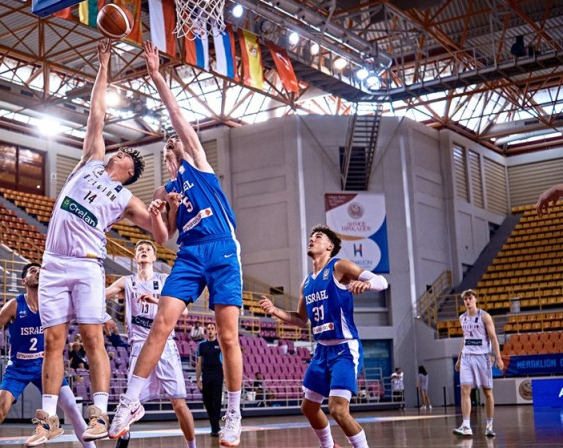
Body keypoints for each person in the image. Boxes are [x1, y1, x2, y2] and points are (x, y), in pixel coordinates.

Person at [110, 40, 245, 447]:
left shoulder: (200, 166)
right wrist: (156, 214)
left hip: (220, 247)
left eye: (179, 145)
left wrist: (156, 77)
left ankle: (233, 411)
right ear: (168, 157)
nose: (178, 148)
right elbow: (163, 239)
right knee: (160, 326)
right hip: (188, 254)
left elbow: (177, 117)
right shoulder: (167, 190)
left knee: (227, 337)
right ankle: (131, 401)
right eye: (172, 149)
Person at [35, 39, 164, 442]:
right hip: (53, 261)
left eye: (125, 154)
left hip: (89, 263)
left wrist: (161, 216)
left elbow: (161, 236)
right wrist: (104, 63)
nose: (118, 151)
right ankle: (48, 420)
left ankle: (101, 414)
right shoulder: (92, 158)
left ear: (129, 170)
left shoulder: (127, 198)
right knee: (53, 341)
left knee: (92, 338)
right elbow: (97, 111)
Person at [259, 225, 389, 448]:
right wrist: (275, 311)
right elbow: (301, 319)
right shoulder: (306, 283)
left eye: (318, 237)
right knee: (309, 408)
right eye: (310, 237)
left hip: (344, 349)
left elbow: (382, 282)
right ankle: (328, 446)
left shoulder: (339, 266)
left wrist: (366, 284)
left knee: (338, 409)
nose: (312, 239)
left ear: (330, 246)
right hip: (321, 350)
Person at [0, 263, 95, 448]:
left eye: (41, 271)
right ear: (24, 281)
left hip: (44, 365)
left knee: (71, 407)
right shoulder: (15, 304)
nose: (38, 273)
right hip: (18, 368)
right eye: (33, 271)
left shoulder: (52, 303)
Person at [104, 240, 196, 448]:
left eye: (148, 250)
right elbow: (98, 296)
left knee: (179, 404)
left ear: (154, 258)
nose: (144, 251)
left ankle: (192, 446)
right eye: (140, 249)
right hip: (139, 345)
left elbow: (185, 311)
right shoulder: (126, 282)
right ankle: (124, 438)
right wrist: (103, 316)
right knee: (131, 402)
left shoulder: (165, 280)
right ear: (135, 258)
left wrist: (158, 301)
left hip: (165, 345)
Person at [453, 289, 504, 438]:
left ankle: (489, 425)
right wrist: (459, 358)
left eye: (470, 298)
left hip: (482, 357)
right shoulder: (462, 318)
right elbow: (465, 338)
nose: (467, 301)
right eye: (465, 299)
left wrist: (498, 357)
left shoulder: (485, 316)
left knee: (487, 392)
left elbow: (493, 337)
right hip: (467, 357)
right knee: (465, 390)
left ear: (475, 300)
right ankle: (466, 425)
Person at [195, 323, 224, 436]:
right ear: (206, 331)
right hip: (206, 375)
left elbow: (225, 361)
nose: (210, 331)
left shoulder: (219, 344)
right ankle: (214, 425)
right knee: (207, 401)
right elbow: (199, 363)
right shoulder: (202, 345)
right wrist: (198, 379)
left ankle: (215, 427)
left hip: (218, 374)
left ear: (216, 331)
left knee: (216, 401)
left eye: (212, 329)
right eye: (208, 329)